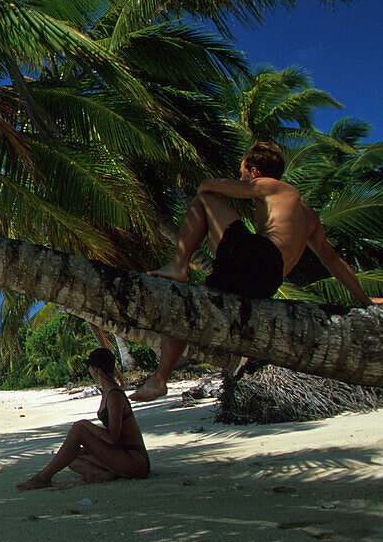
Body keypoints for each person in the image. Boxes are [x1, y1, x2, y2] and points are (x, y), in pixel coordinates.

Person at [134, 141, 383, 401]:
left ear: (254, 172)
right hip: (267, 282)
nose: (241, 177)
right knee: (186, 306)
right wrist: (363, 299)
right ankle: (159, 379)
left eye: (242, 172)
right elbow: (331, 258)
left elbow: (206, 186)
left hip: (256, 259)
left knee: (204, 199)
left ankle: (179, 264)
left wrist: (235, 186)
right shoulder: (309, 214)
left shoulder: (270, 185)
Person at [17, 348, 149, 490]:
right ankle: (102, 474)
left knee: (78, 429)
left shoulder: (114, 395)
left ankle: (43, 477)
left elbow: (113, 437)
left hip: (134, 461)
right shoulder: (109, 391)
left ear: (95, 369)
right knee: (70, 456)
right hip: (123, 455)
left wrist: (86, 425)